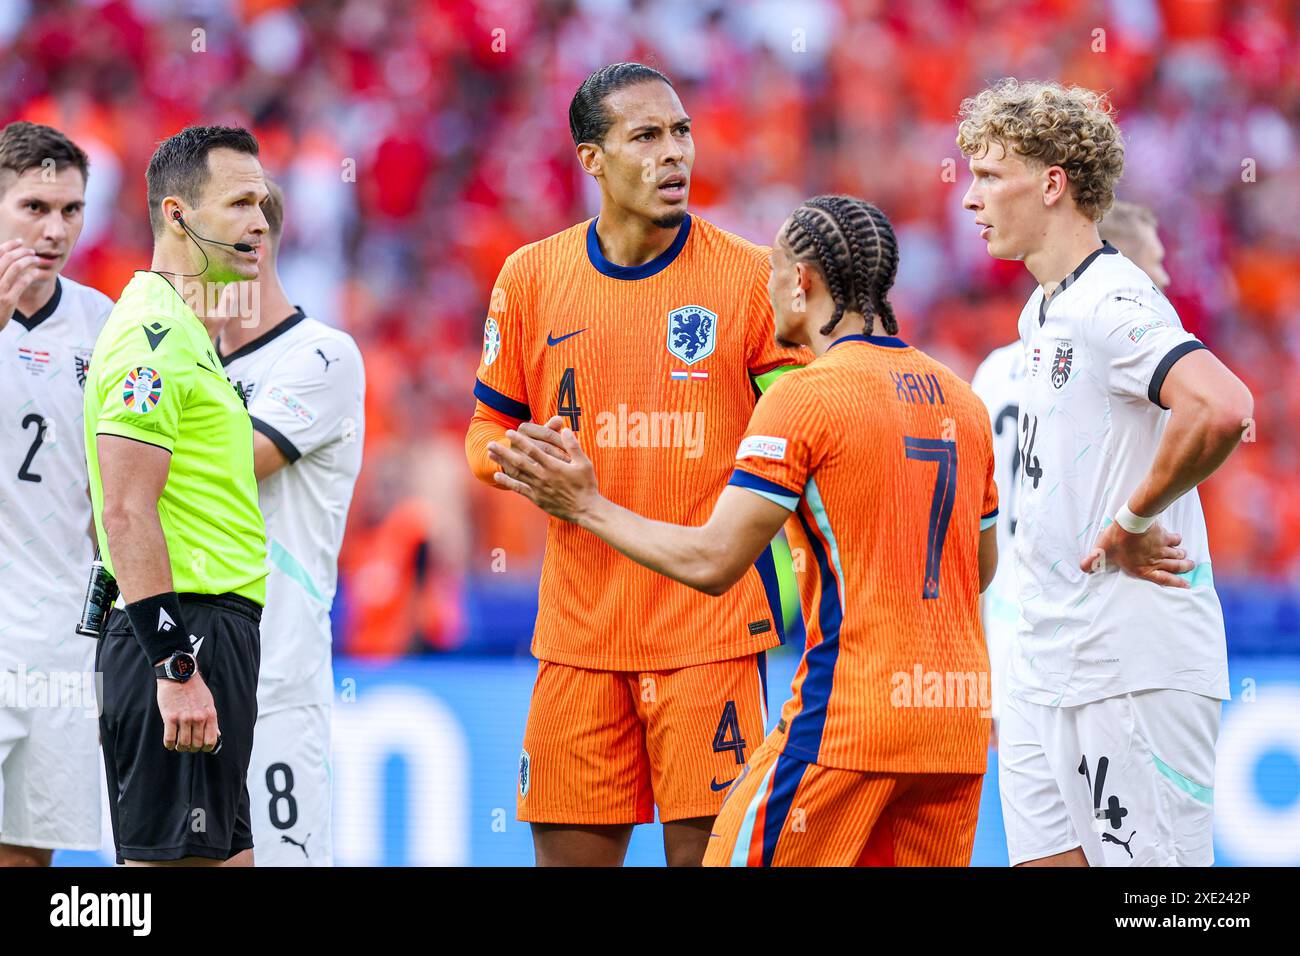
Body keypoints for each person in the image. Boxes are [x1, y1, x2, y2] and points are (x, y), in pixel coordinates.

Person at [490, 196, 999, 866]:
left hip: (848, 719)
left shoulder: (806, 394)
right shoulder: (962, 399)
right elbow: (979, 565)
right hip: (955, 724)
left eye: (773, 275)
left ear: (802, 282)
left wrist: (585, 505)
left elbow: (713, 559)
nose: (764, 292)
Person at [464, 62, 810, 866]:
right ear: (592, 159)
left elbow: (799, 434)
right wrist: (528, 463)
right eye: (646, 136)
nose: (674, 154)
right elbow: (484, 432)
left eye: (681, 132)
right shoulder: (531, 277)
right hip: (579, 636)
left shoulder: (750, 279)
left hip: (708, 635)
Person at [958, 78, 1253, 866]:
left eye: (989, 176)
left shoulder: (1111, 300)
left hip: (1133, 663)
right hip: (1052, 661)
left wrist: (1131, 522)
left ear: (1052, 183)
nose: (968, 199)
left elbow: (1223, 404)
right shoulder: (1043, 312)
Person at [84, 125, 270, 866]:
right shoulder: (151, 340)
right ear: (177, 214)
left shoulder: (188, 336)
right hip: (184, 634)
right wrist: (176, 667)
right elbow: (122, 512)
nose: (260, 222)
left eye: (262, 202)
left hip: (211, 636)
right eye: (240, 203)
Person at [971, 198, 1172, 738]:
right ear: (1123, 264)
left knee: (1037, 814)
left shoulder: (993, 369)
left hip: (1012, 613)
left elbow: (978, 508)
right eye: (1154, 262)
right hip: (1092, 610)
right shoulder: (1117, 351)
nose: (1164, 276)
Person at [219, 178, 366, 867]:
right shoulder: (187, 362)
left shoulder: (320, 354)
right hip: (179, 679)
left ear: (253, 240)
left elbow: (228, 469)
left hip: (274, 684)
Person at [0, 121, 113, 866]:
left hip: (57, 641)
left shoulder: (103, 324)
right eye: (34, 208)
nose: (55, 229)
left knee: (26, 855)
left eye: (70, 210)